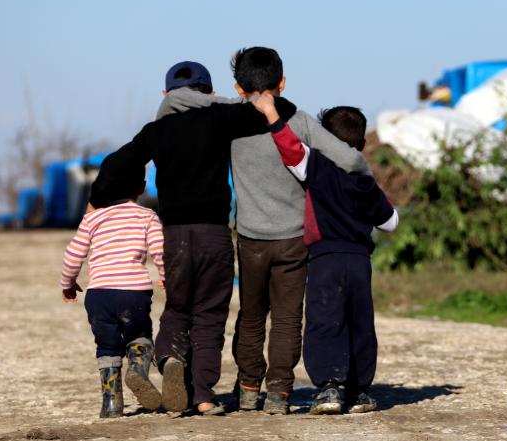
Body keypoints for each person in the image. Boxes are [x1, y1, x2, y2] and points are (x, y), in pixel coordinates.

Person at [156, 48, 369, 415]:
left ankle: (249, 389)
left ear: (238, 87)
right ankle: (280, 395)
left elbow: (188, 106)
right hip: (294, 239)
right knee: (288, 319)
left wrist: (207, 99)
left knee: (252, 316)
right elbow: (351, 159)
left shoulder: (229, 124)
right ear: (282, 82)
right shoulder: (299, 121)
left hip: (252, 239)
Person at [89, 60, 297, 415]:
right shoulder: (219, 117)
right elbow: (281, 108)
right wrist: (231, 103)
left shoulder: (157, 130)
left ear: (165, 94)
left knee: (179, 308)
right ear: (209, 93)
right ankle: (202, 396)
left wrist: (95, 202)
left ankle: (171, 357)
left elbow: (116, 163)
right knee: (210, 315)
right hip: (213, 234)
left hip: (174, 237)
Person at [251, 96, 398, 415]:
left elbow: (290, 148)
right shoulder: (363, 177)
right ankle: (360, 392)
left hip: (324, 258)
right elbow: (390, 221)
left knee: (325, 320)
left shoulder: (316, 165)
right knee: (360, 322)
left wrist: (272, 114)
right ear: (361, 142)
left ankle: (330, 388)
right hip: (359, 260)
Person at [59, 164, 165, 418]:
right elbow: (160, 250)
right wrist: (166, 276)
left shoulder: (93, 218)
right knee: (139, 334)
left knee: (106, 345)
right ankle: (137, 371)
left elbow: (73, 255)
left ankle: (112, 403)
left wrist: (68, 284)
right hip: (134, 293)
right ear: (141, 188)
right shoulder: (147, 216)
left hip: (99, 296)